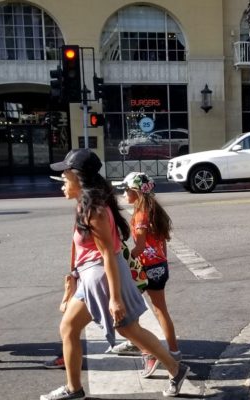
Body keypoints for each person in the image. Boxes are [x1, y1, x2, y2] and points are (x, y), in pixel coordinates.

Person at [41, 149, 189, 400]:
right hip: (93, 276)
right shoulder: (87, 204)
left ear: (79, 178)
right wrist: (73, 278)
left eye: (65, 177)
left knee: (125, 329)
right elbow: (80, 247)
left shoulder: (95, 210)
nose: (62, 183)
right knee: (83, 328)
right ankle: (74, 388)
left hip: (102, 277)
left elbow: (108, 253)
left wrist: (115, 298)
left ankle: (174, 367)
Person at [116, 172, 181, 378]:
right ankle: (173, 351)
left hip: (147, 268)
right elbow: (162, 243)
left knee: (127, 308)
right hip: (160, 266)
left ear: (135, 192)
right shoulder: (154, 210)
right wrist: (163, 264)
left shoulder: (141, 215)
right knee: (161, 310)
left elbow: (141, 247)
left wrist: (123, 260)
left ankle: (146, 349)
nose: (124, 194)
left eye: (126, 190)